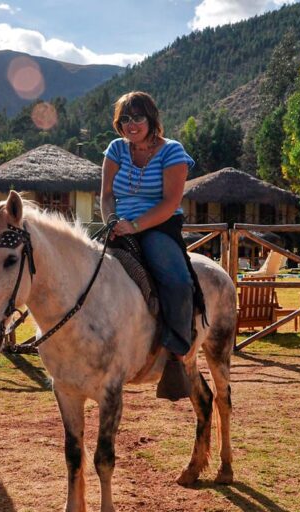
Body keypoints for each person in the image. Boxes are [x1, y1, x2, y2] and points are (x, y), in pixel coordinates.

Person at [100, 91, 197, 401]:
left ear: (152, 119)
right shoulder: (116, 149)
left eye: (138, 117)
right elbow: (105, 196)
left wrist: (137, 225)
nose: (132, 124)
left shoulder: (172, 152)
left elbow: (170, 203)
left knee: (178, 281)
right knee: (83, 269)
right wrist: (112, 221)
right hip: (119, 224)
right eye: (125, 119)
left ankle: (175, 356)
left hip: (158, 225)